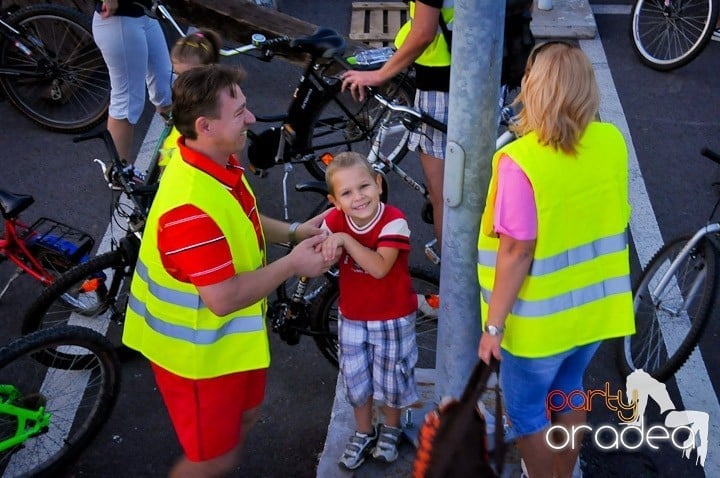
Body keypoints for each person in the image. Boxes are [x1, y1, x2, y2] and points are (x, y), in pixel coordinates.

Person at [122, 64, 333, 478]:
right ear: (205, 125)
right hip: (198, 363)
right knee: (214, 460)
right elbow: (222, 299)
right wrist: (294, 264)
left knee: (244, 422)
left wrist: (293, 233)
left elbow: (243, 215)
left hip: (230, 349)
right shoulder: (189, 209)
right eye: (239, 113)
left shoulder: (210, 159)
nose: (252, 119)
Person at [476, 42, 636, 478]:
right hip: (594, 313)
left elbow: (516, 251)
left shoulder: (520, 162)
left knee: (526, 414)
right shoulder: (610, 142)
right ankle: (566, 468)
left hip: (538, 327)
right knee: (568, 391)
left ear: (534, 89)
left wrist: (493, 327)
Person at [319, 152, 419, 470]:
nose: (358, 197)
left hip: (392, 317)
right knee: (355, 379)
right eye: (347, 193)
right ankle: (364, 431)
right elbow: (321, 249)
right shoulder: (333, 221)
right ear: (334, 201)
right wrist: (323, 246)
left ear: (378, 184)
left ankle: (392, 428)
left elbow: (378, 267)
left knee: (392, 379)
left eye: (364, 186)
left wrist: (345, 241)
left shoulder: (394, 221)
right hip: (352, 315)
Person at [340, 0, 453, 249]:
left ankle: (454, 280)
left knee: (445, 197)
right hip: (488, 65)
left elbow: (423, 31)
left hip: (443, 81)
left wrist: (379, 75)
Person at [92, 0, 173, 164]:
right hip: (119, 20)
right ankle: (120, 172)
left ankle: (178, 154)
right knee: (127, 101)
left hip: (144, 12)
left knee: (165, 85)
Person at [161, 29, 224, 167]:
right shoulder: (188, 93)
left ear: (209, 69)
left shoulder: (221, 103)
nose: (181, 82)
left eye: (189, 75)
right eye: (177, 74)